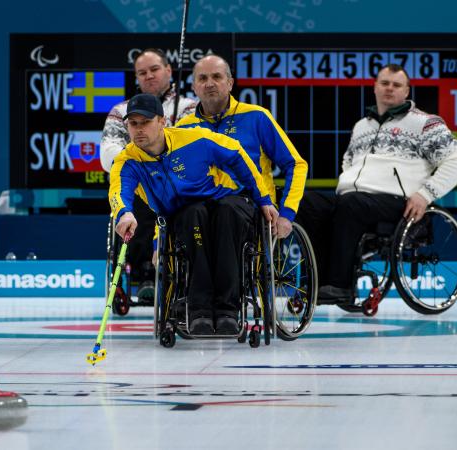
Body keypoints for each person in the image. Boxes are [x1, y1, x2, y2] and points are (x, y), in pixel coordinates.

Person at [295, 64, 457, 301]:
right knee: (308, 202)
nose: (390, 88)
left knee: (352, 204)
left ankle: (341, 286)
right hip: (354, 198)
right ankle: (317, 280)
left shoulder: (425, 123)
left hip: (397, 201)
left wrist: (425, 194)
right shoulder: (361, 126)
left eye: (397, 85)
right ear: (375, 87)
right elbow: (348, 162)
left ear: (406, 92)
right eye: (385, 83)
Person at [109, 93, 278, 335]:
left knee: (227, 214)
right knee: (192, 216)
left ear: (162, 121)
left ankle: (228, 309)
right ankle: (199, 311)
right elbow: (118, 191)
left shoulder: (194, 138)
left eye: (145, 122)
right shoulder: (127, 160)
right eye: (133, 124)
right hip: (184, 215)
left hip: (222, 200)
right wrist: (125, 213)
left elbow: (236, 154)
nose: (138, 129)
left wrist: (263, 199)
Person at [100, 48, 197, 301]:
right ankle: (146, 273)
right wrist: (147, 161)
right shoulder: (121, 111)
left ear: (168, 70)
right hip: (144, 182)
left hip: (182, 183)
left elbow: (192, 149)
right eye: (142, 72)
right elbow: (108, 153)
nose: (149, 76)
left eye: (154, 69)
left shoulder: (189, 107)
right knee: (139, 194)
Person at [176, 54, 307, 239]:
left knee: (227, 209)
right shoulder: (183, 128)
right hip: (203, 209)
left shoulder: (256, 117)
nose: (210, 83)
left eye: (217, 77)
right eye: (203, 78)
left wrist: (287, 214)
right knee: (190, 213)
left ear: (230, 83)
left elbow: (296, 164)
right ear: (194, 87)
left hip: (251, 207)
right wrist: (158, 242)